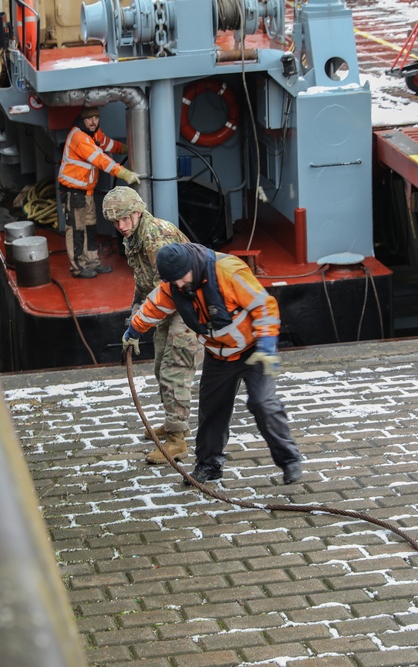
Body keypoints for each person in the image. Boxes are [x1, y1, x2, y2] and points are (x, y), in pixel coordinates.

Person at [121, 242, 303, 485]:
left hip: (255, 352)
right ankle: (209, 465)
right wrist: (133, 331)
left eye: (180, 279)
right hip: (219, 357)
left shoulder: (228, 273)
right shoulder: (175, 283)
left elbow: (264, 306)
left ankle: (290, 460)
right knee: (211, 412)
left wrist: (268, 345)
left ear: (192, 267)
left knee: (263, 404)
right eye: (172, 281)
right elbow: (153, 307)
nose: (178, 285)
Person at [102, 187, 202, 465]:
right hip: (170, 305)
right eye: (115, 221)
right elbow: (144, 280)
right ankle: (173, 424)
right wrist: (134, 312)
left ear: (137, 212)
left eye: (124, 219)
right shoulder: (133, 237)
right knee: (161, 368)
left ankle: (177, 441)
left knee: (175, 370)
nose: (120, 226)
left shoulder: (155, 236)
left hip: (189, 305)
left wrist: (138, 326)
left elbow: (168, 289)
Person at [57, 106, 140, 279]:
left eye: (96, 117)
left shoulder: (93, 134)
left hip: (86, 193)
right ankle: (78, 268)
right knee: (77, 230)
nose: (94, 121)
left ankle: (92, 262)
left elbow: (108, 144)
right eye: (89, 118)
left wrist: (127, 148)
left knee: (89, 228)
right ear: (83, 119)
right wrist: (124, 173)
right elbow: (101, 159)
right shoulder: (79, 137)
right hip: (74, 194)